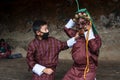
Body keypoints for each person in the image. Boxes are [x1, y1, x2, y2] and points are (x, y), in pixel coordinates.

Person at [62, 12, 102, 80]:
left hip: (89, 69)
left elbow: (94, 48)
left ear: (89, 24)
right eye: (78, 24)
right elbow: (66, 28)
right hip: (76, 68)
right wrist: (75, 19)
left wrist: (87, 32)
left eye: (83, 24)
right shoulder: (76, 35)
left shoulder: (95, 38)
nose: (80, 26)